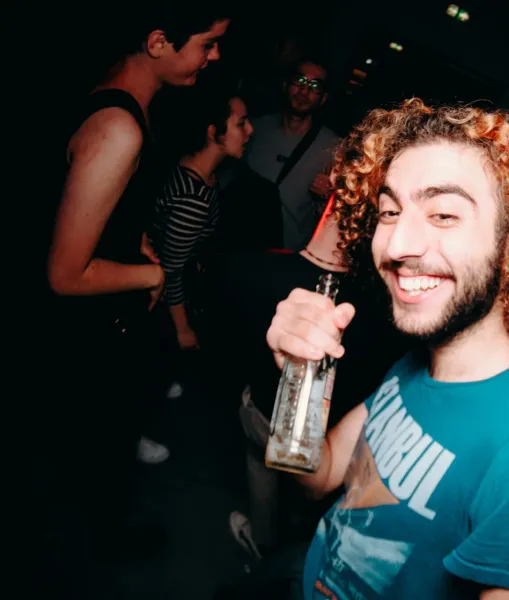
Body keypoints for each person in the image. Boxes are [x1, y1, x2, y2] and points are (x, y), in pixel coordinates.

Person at [260, 99, 509, 599]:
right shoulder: (420, 360)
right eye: (390, 211)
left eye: (443, 214)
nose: (396, 245)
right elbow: (322, 472)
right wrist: (300, 377)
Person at [40, 4, 229, 595]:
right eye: (208, 43)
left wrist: (133, 236)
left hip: (95, 324)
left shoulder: (122, 100)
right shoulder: (119, 125)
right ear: (157, 42)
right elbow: (65, 275)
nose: (214, 56)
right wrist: (151, 277)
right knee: (92, 452)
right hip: (86, 329)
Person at [217, 199, 409, 560]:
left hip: (262, 411)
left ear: (328, 203)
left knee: (262, 475)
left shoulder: (248, 266)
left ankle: (263, 544)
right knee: (297, 501)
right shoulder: (377, 307)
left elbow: (227, 350)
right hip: (329, 432)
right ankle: (281, 547)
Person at [151, 85, 254, 352]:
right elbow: (169, 271)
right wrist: (183, 330)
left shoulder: (199, 170)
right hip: (166, 307)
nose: (250, 130)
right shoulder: (193, 197)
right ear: (213, 132)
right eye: (241, 124)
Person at [243, 56, 341, 250]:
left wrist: (328, 197)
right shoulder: (253, 130)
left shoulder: (334, 148)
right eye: (300, 81)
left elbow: (341, 217)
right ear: (285, 85)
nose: (304, 92)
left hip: (287, 254)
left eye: (314, 87)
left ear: (323, 99)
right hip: (240, 242)